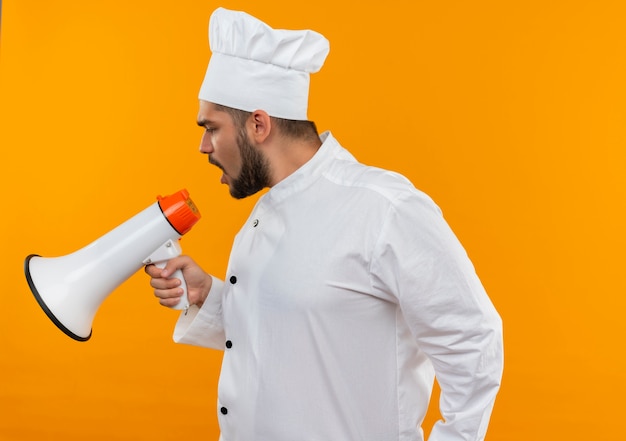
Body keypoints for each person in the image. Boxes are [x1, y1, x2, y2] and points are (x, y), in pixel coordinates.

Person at [145, 7, 503, 441]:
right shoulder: (263, 217)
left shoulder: (383, 210)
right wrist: (211, 297)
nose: (203, 146)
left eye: (212, 127)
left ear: (258, 124)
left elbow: (474, 341)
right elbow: (297, 331)